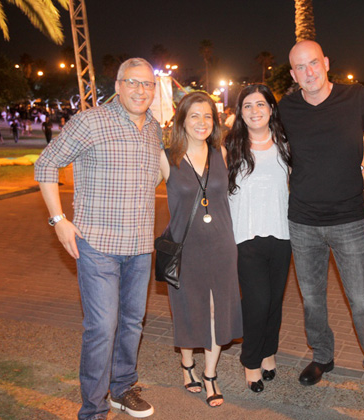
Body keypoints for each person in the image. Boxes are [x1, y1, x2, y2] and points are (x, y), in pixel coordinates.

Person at [35, 58, 161, 420]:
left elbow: (154, 176)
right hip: (97, 245)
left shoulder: (154, 128)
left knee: (132, 323)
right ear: (118, 86)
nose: (140, 90)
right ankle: (92, 409)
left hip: (140, 246)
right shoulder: (91, 121)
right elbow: (46, 164)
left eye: (147, 84)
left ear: (154, 90)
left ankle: (122, 389)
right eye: (132, 82)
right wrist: (58, 219)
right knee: (102, 328)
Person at [278, 40, 364, 401]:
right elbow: (258, 139)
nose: (308, 72)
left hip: (348, 219)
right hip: (303, 221)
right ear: (293, 73)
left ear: (326, 62)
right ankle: (322, 357)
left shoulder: (356, 97)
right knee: (312, 299)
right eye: (300, 67)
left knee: (361, 299)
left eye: (313, 63)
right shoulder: (286, 109)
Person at [159, 92, 242, 408]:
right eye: (194, 115)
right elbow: (137, 193)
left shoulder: (222, 152)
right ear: (181, 120)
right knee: (188, 307)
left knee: (216, 309)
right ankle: (186, 364)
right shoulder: (166, 158)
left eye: (207, 116)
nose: (202, 122)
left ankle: (209, 375)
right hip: (185, 248)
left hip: (221, 245)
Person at [225, 84, 292, 393]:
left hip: (282, 234)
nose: (255, 111)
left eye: (261, 104)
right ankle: (251, 361)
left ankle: (268, 352)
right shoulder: (229, 147)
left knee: (274, 301)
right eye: (248, 106)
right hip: (245, 236)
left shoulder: (286, 145)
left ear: (271, 109)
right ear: (240, 113)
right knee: (257, 302)